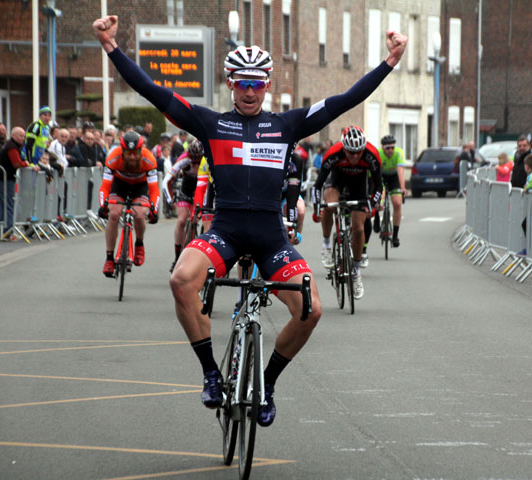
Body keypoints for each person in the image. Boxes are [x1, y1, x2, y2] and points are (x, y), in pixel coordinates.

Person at [93, 14, 405, 425]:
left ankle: (268, 383)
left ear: (268, 85)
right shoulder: (210, 123)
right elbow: (153, 91)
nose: (250, 91)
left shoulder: (285, 125)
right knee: (180, 280)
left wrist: (391, 60)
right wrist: (111, 46)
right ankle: (210, 373)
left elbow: (345, 100)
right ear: (231, 83)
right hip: (224, 232)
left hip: (271, 239)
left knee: (311, 309)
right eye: (242, 82)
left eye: (258, 83)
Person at [312, 125, 383, 300]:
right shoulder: (333, 154)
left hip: (359, 184)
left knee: (359, 228)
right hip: (337, 179)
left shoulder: (371, 155)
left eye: (358, 152)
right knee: (329, 205)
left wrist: (371, 205)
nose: (355, 156)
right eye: (351, 153)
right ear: (344, 148)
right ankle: (327, 245)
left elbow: (378, 186)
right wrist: (316, 207)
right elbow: (317, 186)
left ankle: (356, 272)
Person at [97, 130, 159, 277]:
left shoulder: (149, 159)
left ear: (141, 150)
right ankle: (109, 258)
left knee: (139, 215)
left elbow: (154, 190)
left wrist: (154, 210)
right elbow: (105, 186)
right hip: (120, 185)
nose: (132, 156)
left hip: (140, 187)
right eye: (128, 152)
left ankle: (139, 243)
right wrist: (102, 205)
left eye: (135, 152)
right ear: (122, 150)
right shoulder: (113, 157)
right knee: (113, 214)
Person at [162, 139, 204, 272]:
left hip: (203, 188)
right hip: (187, 186)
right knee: (181, 220)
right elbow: (166, 181)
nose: (195, 165)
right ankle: (177, 257)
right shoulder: (184, 159)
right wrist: (170, 201)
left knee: (200, 218)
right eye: (193, 162)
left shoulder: (209, 159)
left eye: (198, 162)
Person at [0, 127, 40, 233]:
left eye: (24, 136)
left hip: (7, 178)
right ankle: (7, 230)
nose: (23, 138)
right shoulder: (12, 147)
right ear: (13, 136)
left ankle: (4, 230)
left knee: (6, 203)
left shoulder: (17, 146)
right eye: (21, 136)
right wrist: (25, 164)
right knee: (8, 204)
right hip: (6, 179)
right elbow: (16, 163)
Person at [377, 134, 406, 247]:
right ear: (383, 147)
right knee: (379, 199)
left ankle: (395, 236)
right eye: (387, 148)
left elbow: (400, 172)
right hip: (381, 177)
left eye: (392, 147)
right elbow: (376, 174)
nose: (390, 150)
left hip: (394, 178)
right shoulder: (378, 154)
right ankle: (376, 219)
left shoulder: (399, 153)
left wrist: (403, 188)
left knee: (397, 204)